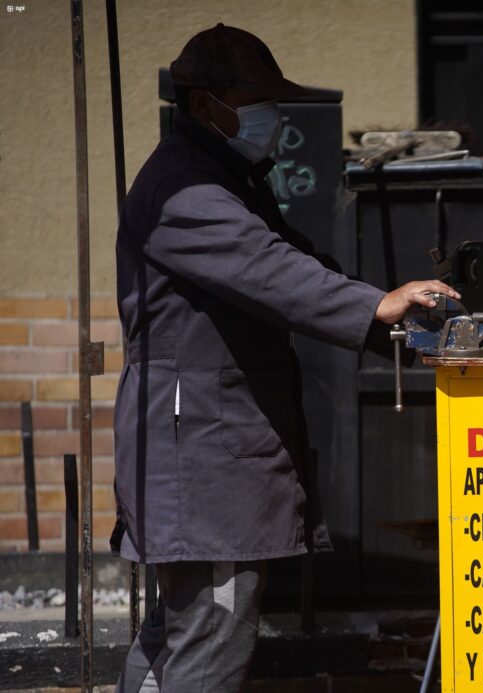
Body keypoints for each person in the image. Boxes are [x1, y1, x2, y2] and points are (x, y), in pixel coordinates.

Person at [111, 24, 457, 692]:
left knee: (177, 635)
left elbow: (295, 259)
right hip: (202, 460)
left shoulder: (224, 176)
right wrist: (375, 306)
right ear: (207, 101)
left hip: (205, 452)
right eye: (255, 98)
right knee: (209, 636)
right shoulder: (186, 190)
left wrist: (379, 311)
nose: (272, 115)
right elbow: (268, 268)